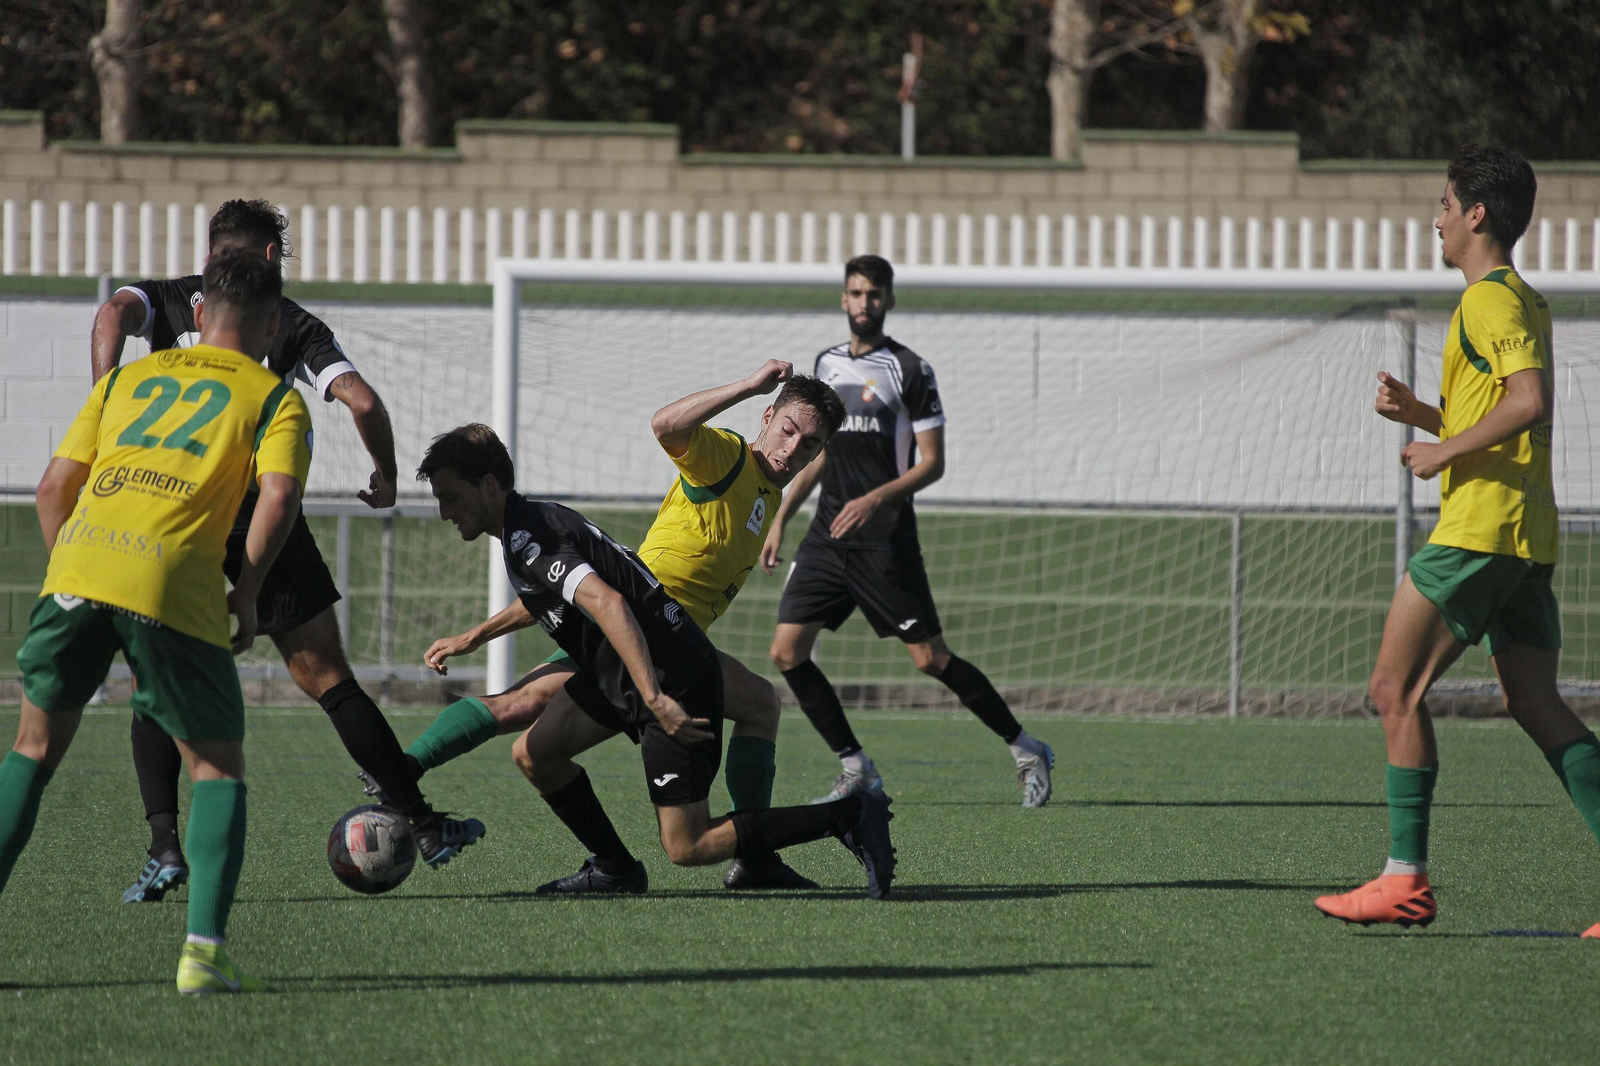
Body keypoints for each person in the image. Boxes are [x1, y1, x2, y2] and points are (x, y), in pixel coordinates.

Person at [90, 199, 481, 900]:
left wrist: (106, 399)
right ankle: (420, 822)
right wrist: (386, 478)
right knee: (329, 678)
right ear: (271, 258)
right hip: (261, 514)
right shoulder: (289, 322)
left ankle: (162, 847)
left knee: (155, 685)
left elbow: (112, 314)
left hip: (173, 512)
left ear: (210, 254)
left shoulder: (171, 299)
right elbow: (362, 402)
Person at [389, 362, 847, 890]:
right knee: (523, 713)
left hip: (663, 638)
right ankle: (401, 772)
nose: (792, 449)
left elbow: (562, 588)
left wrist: (475, 635)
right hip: (645, 633)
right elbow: (666, 426)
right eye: (788, 431)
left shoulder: (769, 491)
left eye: (810, 445)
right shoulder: (728, 457)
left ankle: (714, 861)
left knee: (754, 703)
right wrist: (746, 385)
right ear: (766, 417)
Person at [1, 252, 311, 993]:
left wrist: (77, 570)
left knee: (32, 751)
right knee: (216, 768)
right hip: (172, 577)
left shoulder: (124, 381)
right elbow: (275, 500)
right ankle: (202, 953)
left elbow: (53, 489)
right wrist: (248, 593)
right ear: (271, 325)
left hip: (76, 566)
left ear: (198, 315)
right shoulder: (275, 398)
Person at [1314, 145, 1600, 935]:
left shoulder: (1488, 302)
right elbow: (1506, 420)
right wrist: (1428, 420)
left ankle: (1404, 879)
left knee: (1391, 690)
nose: (1435, 221)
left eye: (1443, 206)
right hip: (1526, 536)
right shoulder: (1525, 300)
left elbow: (1529, 402)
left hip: (1479, 533)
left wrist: (1440, 451)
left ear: (1476, 215)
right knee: (1537, 704)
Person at [764, 254, 1055, 807]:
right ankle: (856, 768)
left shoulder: (911, 370)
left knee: (929, 660)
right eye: (855, 293)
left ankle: (1026, 748)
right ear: (843, 300)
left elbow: (931, 464)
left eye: (874, 294)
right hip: (827, 537)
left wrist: (874, 497)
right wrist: (780, 516)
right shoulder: (825, 366)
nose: (864, 303)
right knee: (786, 652)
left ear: (889, 301)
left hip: (884, 541)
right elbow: (817, 456)